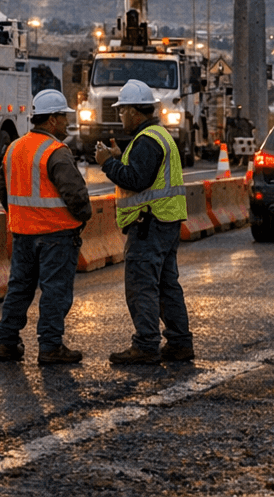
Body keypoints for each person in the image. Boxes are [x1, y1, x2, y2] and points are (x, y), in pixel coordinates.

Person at [97, 79, 194, 365]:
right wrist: (119, 158)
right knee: (166, 285)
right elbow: (146, 173)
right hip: (166, 220)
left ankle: (146, 344)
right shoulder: (159, 135)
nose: (120, 116)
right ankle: (179, 343)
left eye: (122, 110)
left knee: (142, 286)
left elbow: (136, 180)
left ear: (133, 111)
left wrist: (107, 163)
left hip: (148, 223)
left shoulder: (147, 140)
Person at [0, 89, 92, 365]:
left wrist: (20, 215)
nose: (66, 122)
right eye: (63, 117)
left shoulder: (14, 148)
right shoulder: (56, 152)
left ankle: (7, 342)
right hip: (56, 235)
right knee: (54, 291)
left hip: (23, 233)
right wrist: (83, 217)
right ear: (51, 119)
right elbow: (76, 195)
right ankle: (50, 346)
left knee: (19, 288)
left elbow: (1, 187)